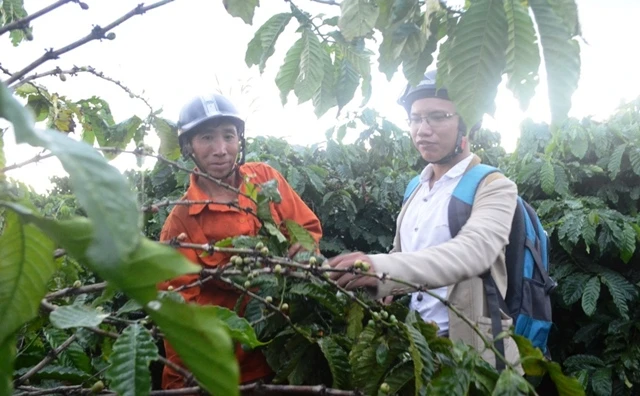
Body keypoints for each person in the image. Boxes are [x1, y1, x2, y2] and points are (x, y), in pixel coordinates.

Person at [327, 69, 521, 368]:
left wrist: (381, 268)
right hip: (417, 350)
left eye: (438, 117)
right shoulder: (415, 189)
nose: (422, 130)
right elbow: (404, 257)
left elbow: (473, 252)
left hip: (475, 357)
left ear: (466, 125)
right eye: (416, 119)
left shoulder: (494, 187)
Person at [158, 93, 323, 390]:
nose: (221, 150)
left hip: (284, 353)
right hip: (229, 369)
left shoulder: (264, 180)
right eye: (207, 138)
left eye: (228, 136)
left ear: (240, 140)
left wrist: (303, 250)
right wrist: (185, 381)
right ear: (188, 147)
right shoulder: (181, 221)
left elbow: (307, 228)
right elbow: (178, 313)